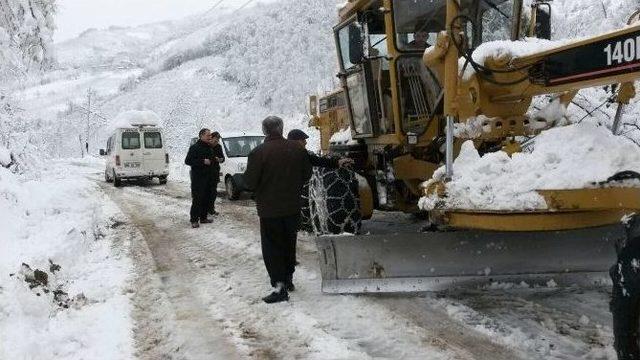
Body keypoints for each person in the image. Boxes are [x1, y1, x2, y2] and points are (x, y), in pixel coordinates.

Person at [243, 116, 312, 304]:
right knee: (289, 243)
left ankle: (279, 286)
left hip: (269, 209)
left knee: (273, 247)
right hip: (292, 206)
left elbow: (249, 182)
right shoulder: (298, 150)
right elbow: (307, 174)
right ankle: (289, 279)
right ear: (281, 129)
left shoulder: (258, 153)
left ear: (265, 131)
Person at [185, 128, 215, 228]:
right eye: (208, 135)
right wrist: (202, 161)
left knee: (207, 198)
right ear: (201, 136)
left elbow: (211, 161)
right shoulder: (195, 147)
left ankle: (203, 217)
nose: (210, 137)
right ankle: (194, 219)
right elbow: (188, 161)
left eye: (210, 135)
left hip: (208, 178)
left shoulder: (209, 147)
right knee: (197, 199)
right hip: (198, 179)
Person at [286, 129, 354, 168]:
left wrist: (338, 162)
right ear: (294, 141)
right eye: (303, 140)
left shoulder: (300, 154)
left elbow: (317, 161)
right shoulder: (286, 156)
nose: (305, 143)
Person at [207, 131, 225, 215]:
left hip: (214, 172)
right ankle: (204, 209)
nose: (216, 141)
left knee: (213, 192)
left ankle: (211, 209)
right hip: (206, 172)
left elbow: (222, 158)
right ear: (211, 138)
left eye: (218, 140)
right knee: (205, 192)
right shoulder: (206, 146)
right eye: (215, 140)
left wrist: (220, 159)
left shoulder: (218, 147)